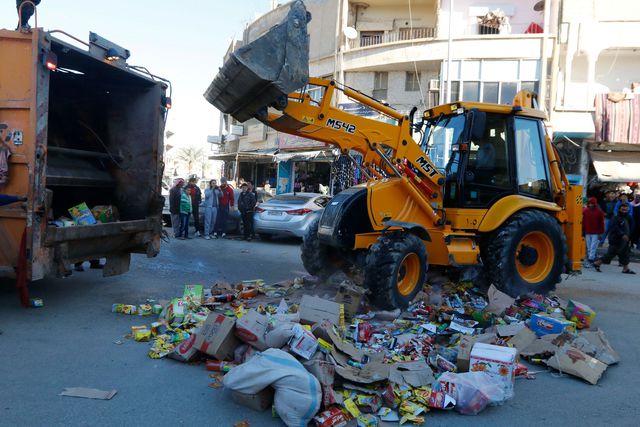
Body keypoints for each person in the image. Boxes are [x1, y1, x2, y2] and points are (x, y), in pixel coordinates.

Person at [594, 203, 635, 274]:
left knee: (625, 254)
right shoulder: (616, 217)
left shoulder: (628, 217)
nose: (624, 210)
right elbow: (615, 228)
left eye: (626, 209)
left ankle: (626, 269)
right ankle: (597, 263)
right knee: (611, 254)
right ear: (619, 209)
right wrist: (622, 235)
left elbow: (631, 228)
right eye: (623, 209)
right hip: (616, 239)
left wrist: (629, 237)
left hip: (625, 240)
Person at [582, 197, 605, 266]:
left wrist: (601, 232)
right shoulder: (585, 211)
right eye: (589, 203)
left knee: (592, 247)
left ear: (595, 204)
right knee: (589, 247)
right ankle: (591, 259)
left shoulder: (599, 212)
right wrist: (583, 230)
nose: (590, 205)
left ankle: (590, 259)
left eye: (592, 203)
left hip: (595, 232)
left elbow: (601, 223)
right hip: (588, 232)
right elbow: (583, 222)